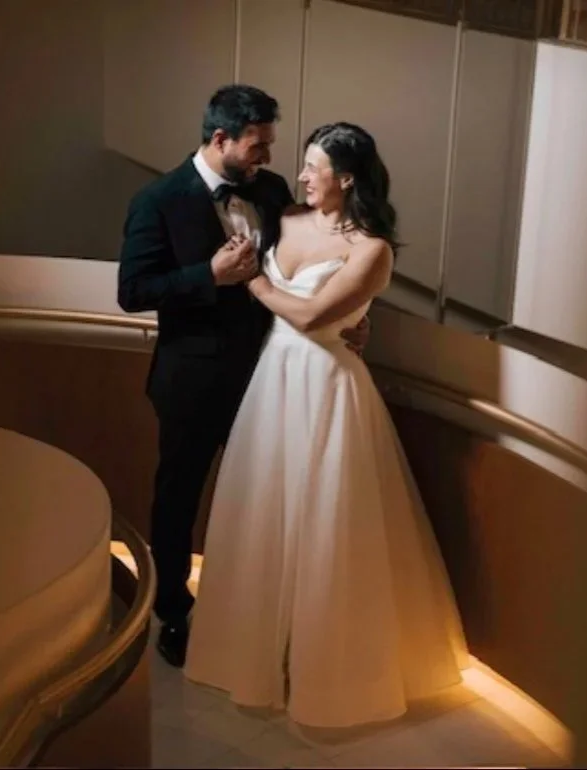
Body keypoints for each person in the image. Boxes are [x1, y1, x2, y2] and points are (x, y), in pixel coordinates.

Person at [184, 123, 469, 729]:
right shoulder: (284, 215)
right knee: (265, 516)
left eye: (315, 167)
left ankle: (327, 680)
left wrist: (254, 281)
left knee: (326, 528)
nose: (303, 175)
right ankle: (256, 661)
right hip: (273, 382)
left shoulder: (372, 249)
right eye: (305, 165)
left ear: (346, 177)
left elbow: (313, 316)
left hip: (326, 390)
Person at [116, 86, 369, 669]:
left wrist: (354, 314)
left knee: (267, 499)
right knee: (179, 501)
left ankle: (258, 615)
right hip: (192, 383)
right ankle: (174, 615)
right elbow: (133, 292)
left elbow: (315, 258)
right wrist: (208, 274)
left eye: (270, 144)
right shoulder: (156, 200)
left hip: (272, 377)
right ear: (220, 138)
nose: (268, 156)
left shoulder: (272, 191)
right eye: (258, 145)